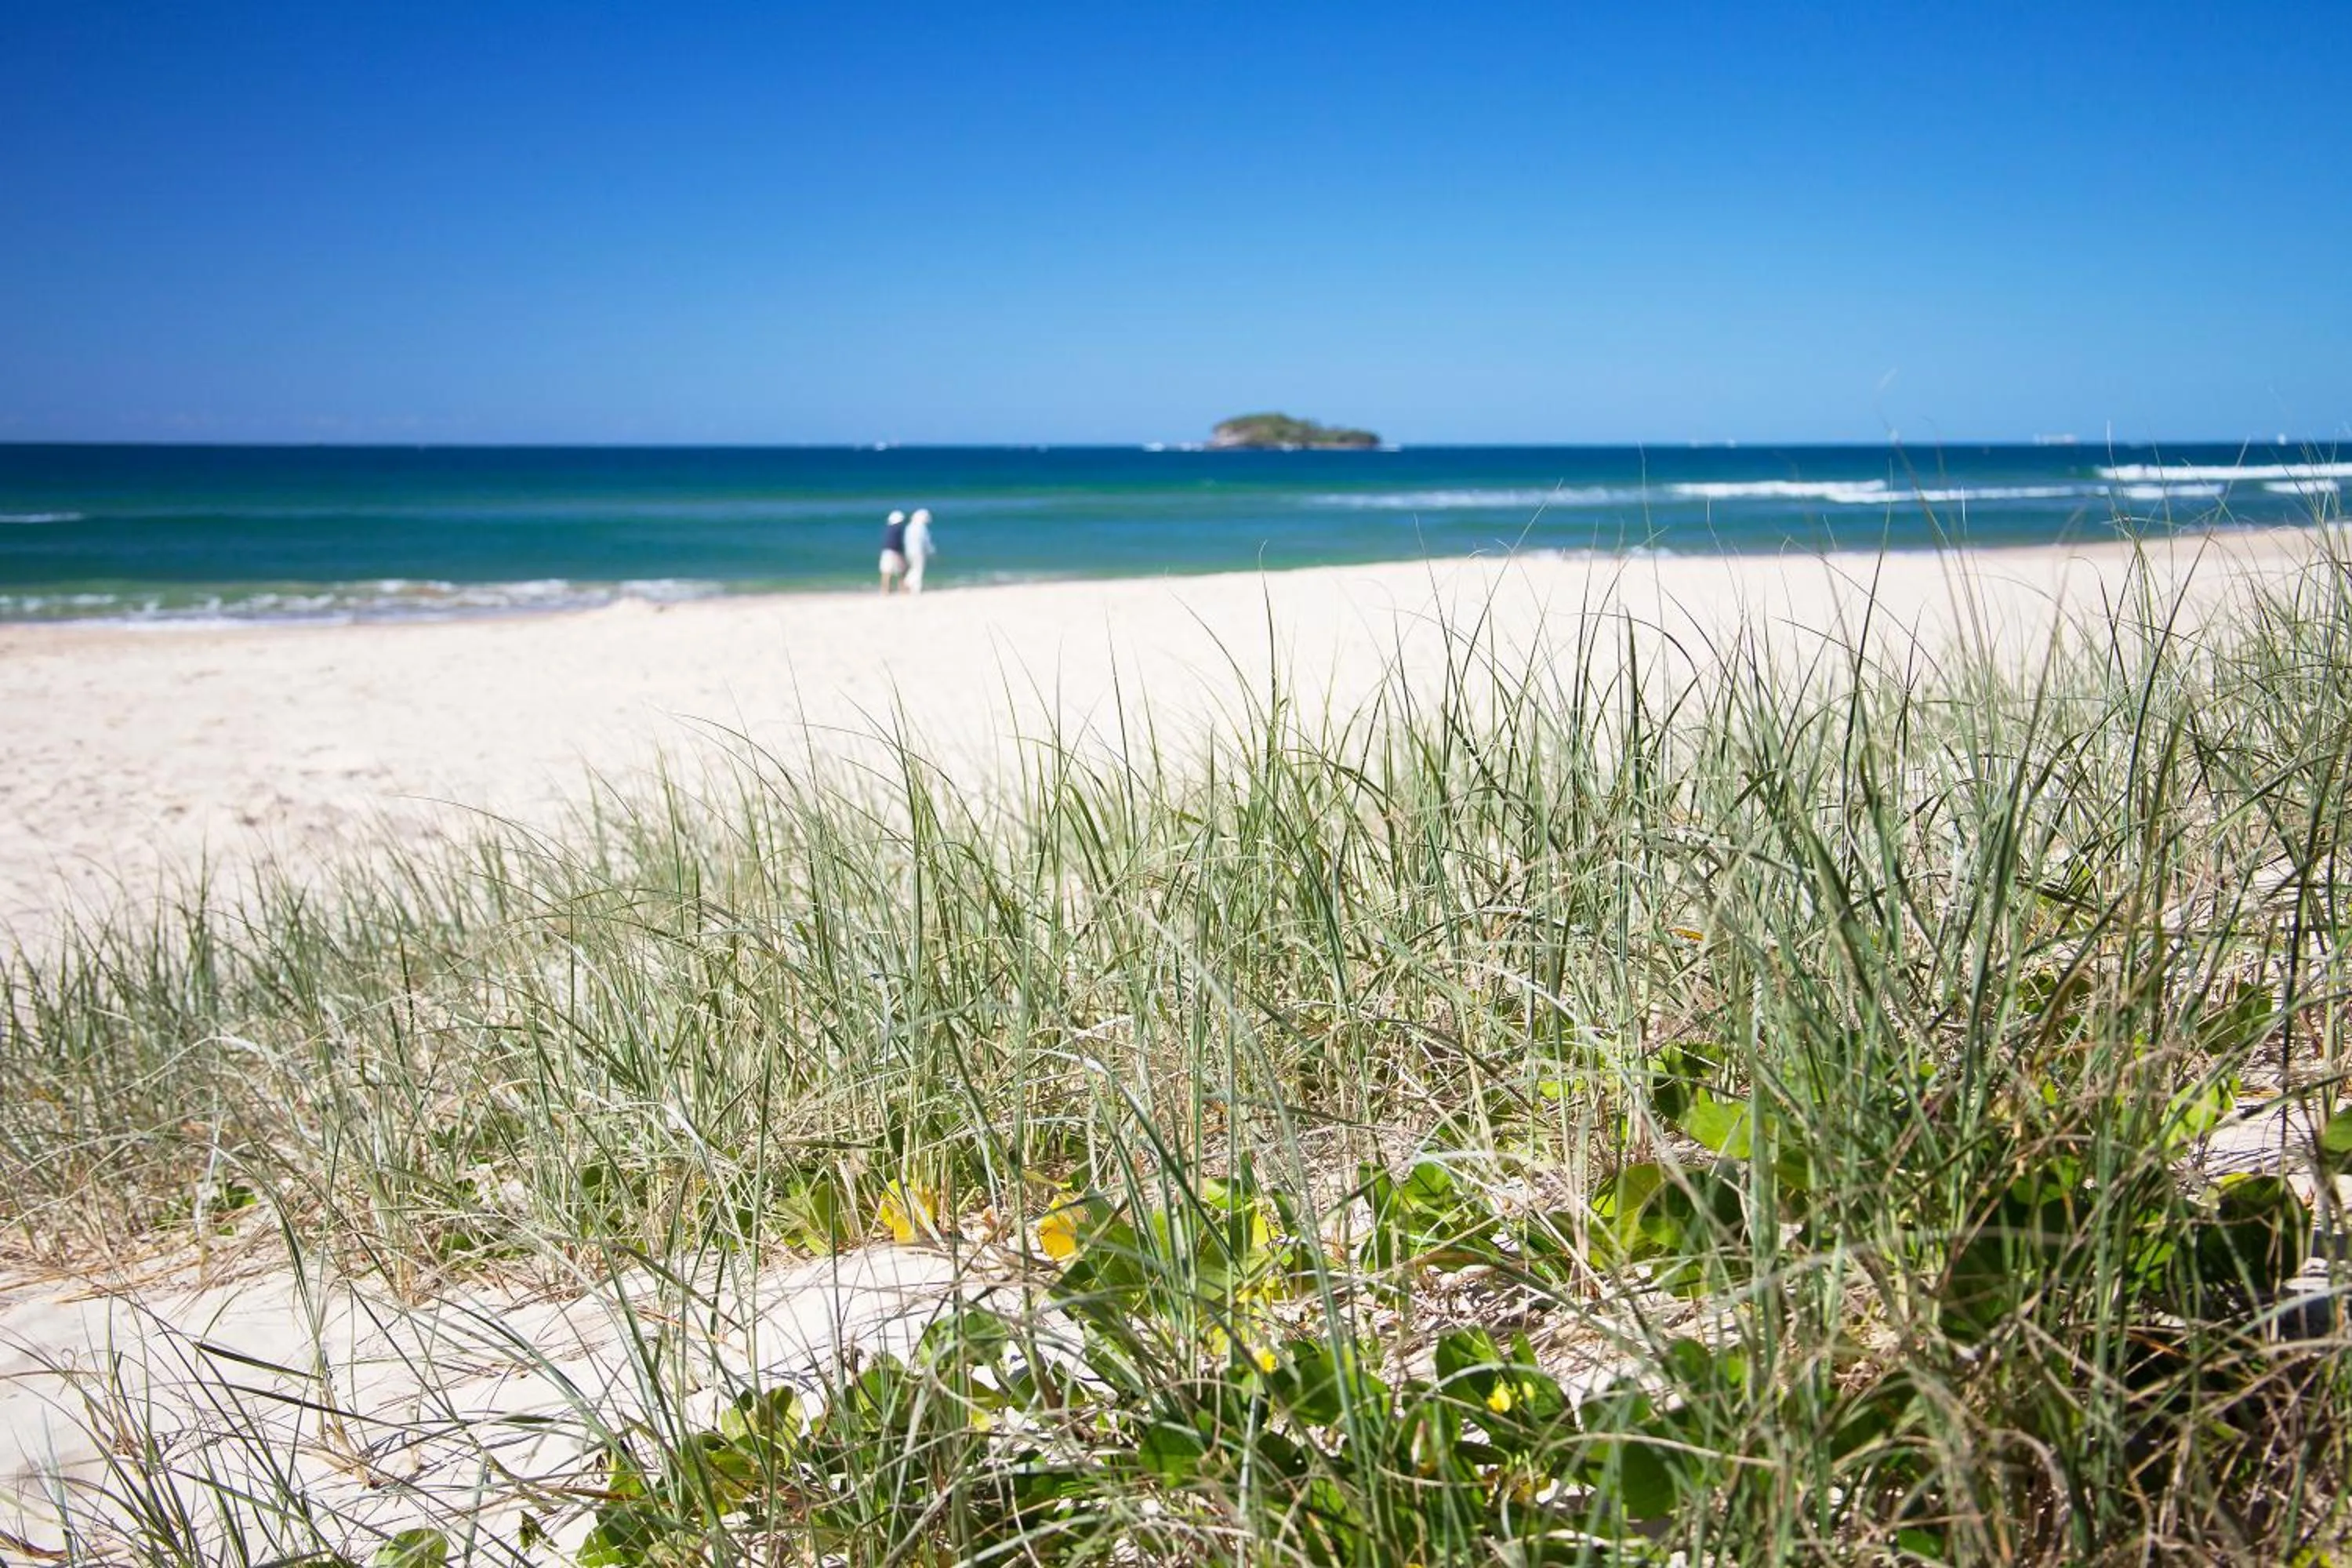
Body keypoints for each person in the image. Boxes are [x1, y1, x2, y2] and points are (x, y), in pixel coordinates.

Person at [902, 507, 936, 594]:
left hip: (909, 551)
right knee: (918, 569)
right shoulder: (921, 527)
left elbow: (906, 540)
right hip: (919, 552)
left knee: (913, 568)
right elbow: (925, 541)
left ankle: (908, 583)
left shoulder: (909, 527)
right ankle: (915, 588)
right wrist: (931, 551)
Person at [878, 510, 908, 593]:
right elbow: (897, 542)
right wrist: (901, 553)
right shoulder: (898, 528)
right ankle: (902, 588)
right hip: (895, 551)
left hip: (886, 551)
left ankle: (885, 589)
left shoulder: (889, 528)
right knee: (902, 570)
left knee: (887, 571)